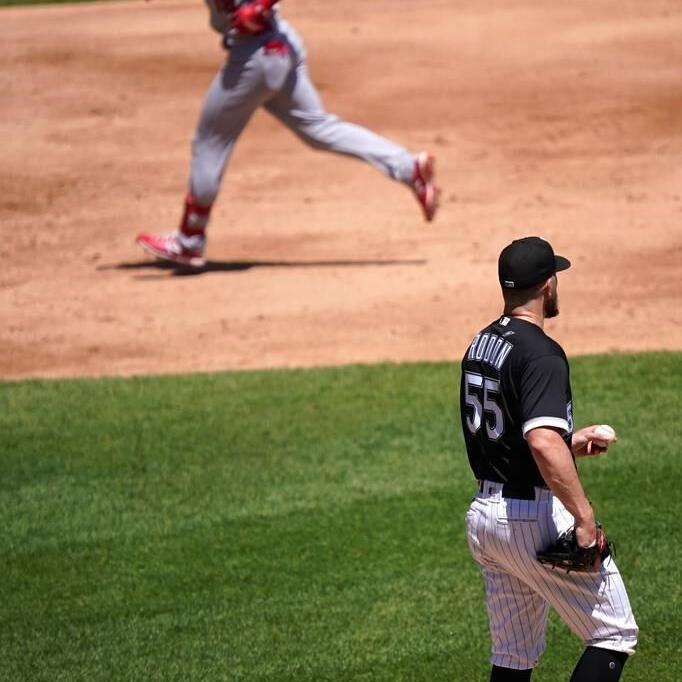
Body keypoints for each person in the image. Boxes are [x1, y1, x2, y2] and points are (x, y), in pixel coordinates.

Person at [136, 0, 439, 268]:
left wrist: (261, 6)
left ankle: (190, 238)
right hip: (277, 44)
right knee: (317, 128)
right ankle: (408, 166)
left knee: (210, 140)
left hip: (254, 54)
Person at [459, 236, 638, 681]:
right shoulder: (541, 353)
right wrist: (584, 519)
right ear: (548, 286)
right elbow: (540, 441)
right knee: (613, 633)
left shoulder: (481, 343)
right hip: (529, 519)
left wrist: (570, 441)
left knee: (514, 655)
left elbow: (503, 434)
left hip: (486, 519)